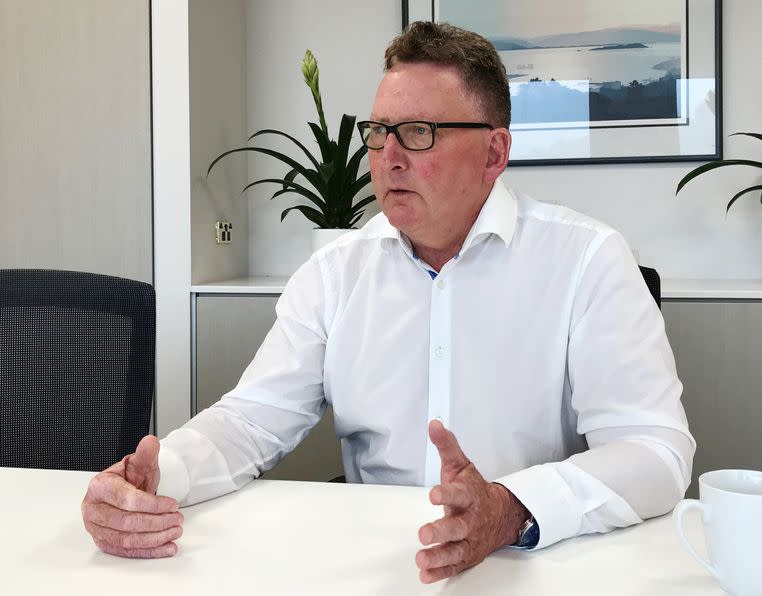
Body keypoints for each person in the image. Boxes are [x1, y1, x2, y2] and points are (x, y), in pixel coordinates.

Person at [81, 22, 695, 584]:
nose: (388, 157)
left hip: (534, 560)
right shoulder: (334, 272)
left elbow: (657, 452)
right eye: (379, 132)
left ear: (494, 154)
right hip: (378, 566)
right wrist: (163, 478)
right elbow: (251, 420)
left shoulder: (587, 260)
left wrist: (509, 509)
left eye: (419, 133)